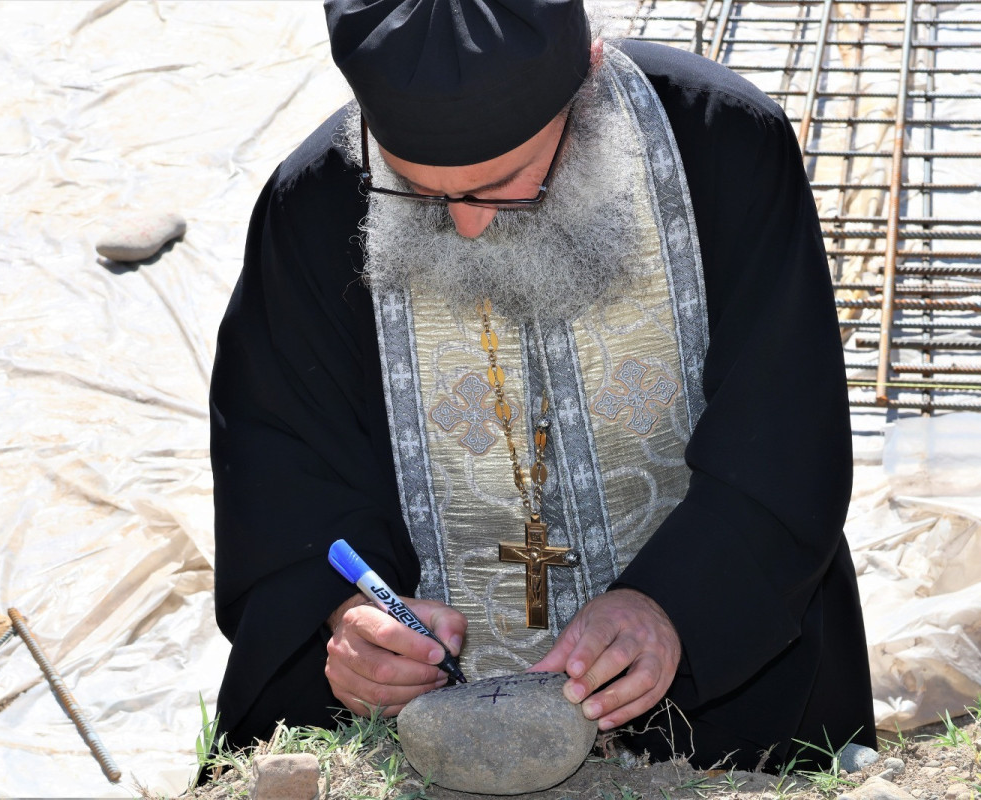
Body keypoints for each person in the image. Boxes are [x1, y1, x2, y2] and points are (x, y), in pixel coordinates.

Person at [211, 0, 876, 773]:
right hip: (419, 719)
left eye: (501, 187)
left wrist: (670, 605)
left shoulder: (722, 143)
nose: (464, 227)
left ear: (584, 85)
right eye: (419, 194)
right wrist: (351, 618)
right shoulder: (312, 202)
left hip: (715, 699)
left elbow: (785, 431)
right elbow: (279, 463)